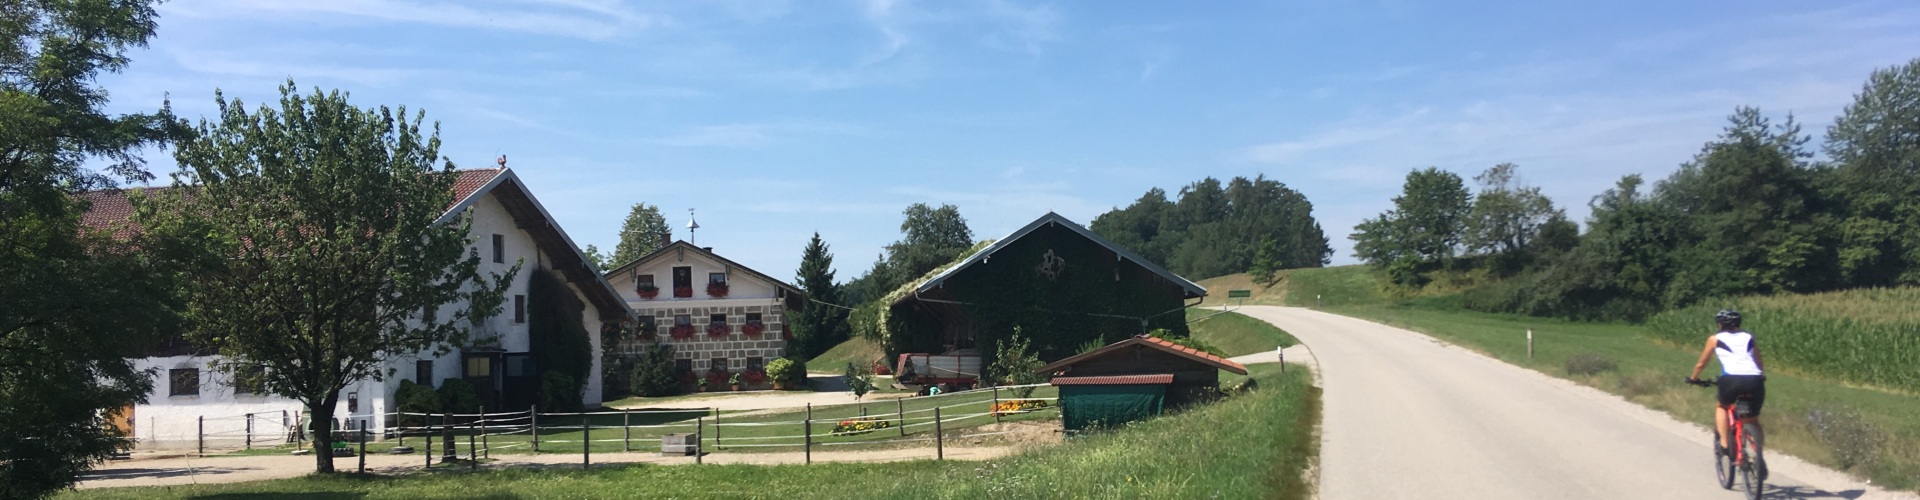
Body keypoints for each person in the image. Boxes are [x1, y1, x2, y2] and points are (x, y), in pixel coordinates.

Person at [1687, 309, 1766, 479]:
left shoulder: (1715, 338)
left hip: (1730, 380)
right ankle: (1758, 455)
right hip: (1754, 379)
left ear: (1720, 324)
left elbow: (1702, 363)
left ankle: (1724, 443)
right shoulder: (1748, 337)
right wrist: (1760, 376)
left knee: (1722, 406)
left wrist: (1694, 378)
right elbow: (1758, 361)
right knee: (1753, 419)